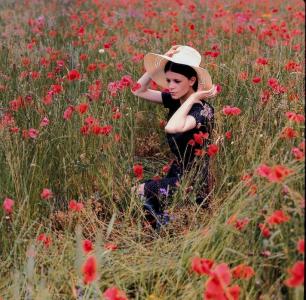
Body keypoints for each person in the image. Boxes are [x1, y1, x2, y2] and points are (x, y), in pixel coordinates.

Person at [131, 45, 217, 230]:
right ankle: (166, 222)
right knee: (142, 192)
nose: (170, 86)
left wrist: (194, 99)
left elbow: (172, 127)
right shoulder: (176, 99)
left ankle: (165, 225)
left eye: (176, 81)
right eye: (168, 80)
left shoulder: (202, 110)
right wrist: (159, 65)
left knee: (138, 192)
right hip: (178, 173)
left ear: (192, 80)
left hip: (194, 181)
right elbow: (138, 90)